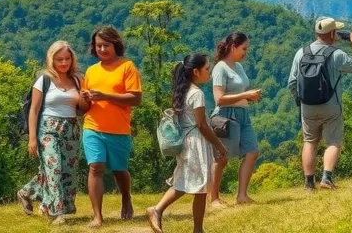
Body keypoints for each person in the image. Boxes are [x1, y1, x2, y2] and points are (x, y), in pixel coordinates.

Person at [145, 54, 228, 233]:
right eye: (207, 68)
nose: (209, 72)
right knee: (199, 187)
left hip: (186, 142)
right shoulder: (197, 94)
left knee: (186, 182)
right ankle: (194, 227)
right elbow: (202, 125)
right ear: (196, 72)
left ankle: (161, 211)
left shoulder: (183, 91)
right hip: (197, 142)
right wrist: (218, 145)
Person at [287, 17, 352, 191]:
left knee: (309, 141)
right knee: (333, 142)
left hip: (307, 106)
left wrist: (302, 101)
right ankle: (326, 178)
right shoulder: (336, 54)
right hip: (331, 105)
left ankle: (309, 184)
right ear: (332, 33)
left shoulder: (301, 53)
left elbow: (292, 83)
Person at [16, 41, 87, 225]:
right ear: (51, 60)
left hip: (71, 128)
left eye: (67, 59)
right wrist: (32, 138)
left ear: (72, 59)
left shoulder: (78, 80)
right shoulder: (43, 79)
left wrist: (86, 98)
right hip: (48, 127)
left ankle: (27, 192)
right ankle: (58, 213)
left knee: (67, 170)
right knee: (54, 168)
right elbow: (34, 110)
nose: (63, 63)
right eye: (59, 59)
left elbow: (83, 109)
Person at [81, 26, 142, 228]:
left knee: (119, 170)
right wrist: (83, 100)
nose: (102, 49)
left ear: (115, 45)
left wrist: (107, 96)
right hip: (92, 126)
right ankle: (97, 216)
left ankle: (126, 198)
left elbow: (135, 98)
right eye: (98, 45)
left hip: (118, 129)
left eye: (106, 45)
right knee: (96, 167)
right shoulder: (91, 71)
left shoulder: (127, 67)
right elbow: (84, 107)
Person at [208, 31, 262, 208]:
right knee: (221, 158)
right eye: (244, 48)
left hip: (243, 115)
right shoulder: (220, 68)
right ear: (233, 47)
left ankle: (242, 196)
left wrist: (249, 97)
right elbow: (219, 99)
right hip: (226, 116)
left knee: (252, 152)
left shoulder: (238, 67)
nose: (246, 52)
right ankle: (214, 198)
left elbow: (239, 92)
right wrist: (246, 94)